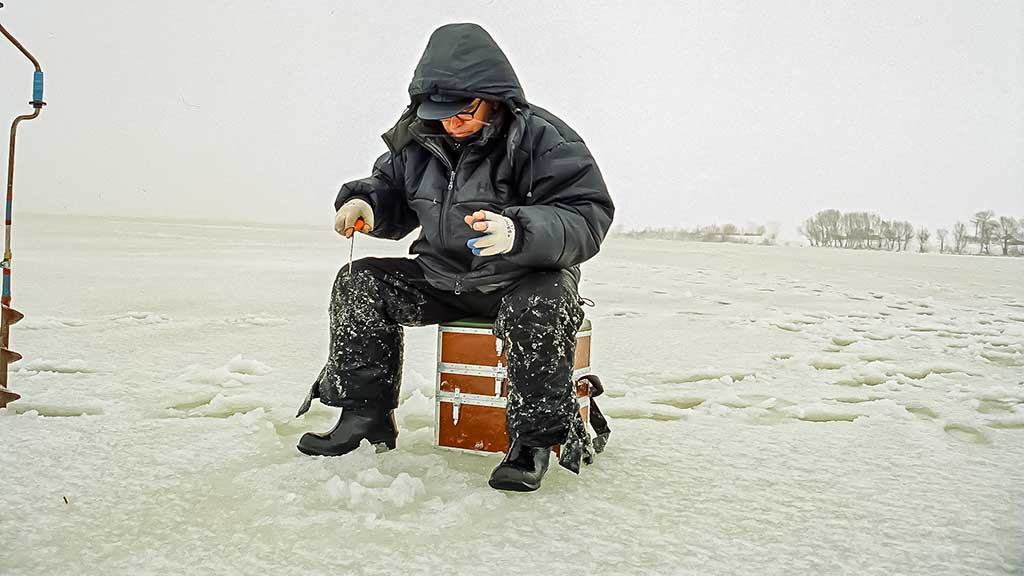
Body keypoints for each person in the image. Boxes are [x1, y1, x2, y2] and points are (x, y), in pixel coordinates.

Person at [295, 23, 614, 492]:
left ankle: (533, 442)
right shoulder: (417, 138)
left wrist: (519, 231)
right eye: (439, 113)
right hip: (443, 276)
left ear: (493, 97)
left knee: (541, 303)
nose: (451, 123)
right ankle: (365, 417)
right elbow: (390, 193)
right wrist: (367, 205)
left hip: (522, 277)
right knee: (359, 283)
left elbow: (588, 215)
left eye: (463, 110)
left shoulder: (544, 138)